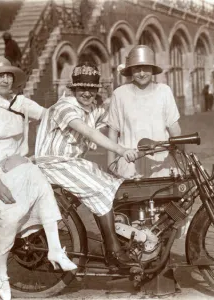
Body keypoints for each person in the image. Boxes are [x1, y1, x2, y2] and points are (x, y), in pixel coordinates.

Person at [34, 62, 139, 269]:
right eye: (82, 88)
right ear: (73, 89)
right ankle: (113, 251)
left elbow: (110, 104)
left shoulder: (89, 108)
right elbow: (91, 133)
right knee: (100, 189)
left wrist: (126, 80)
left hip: (71, 163)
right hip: (53, 163)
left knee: (113, 182)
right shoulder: (64, 108)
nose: (87, 94)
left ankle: (116, 239)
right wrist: (122, 151)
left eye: (91, 89)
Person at [0, 56, 77, 300]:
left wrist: (74, 109)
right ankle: (0, 268)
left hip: (20, 166)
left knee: (40, 181)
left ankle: (56, 250)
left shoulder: (19, 102)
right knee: (8, 218)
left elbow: (50, 116)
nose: (5, 79)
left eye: (8, 75)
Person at [107, 45, 182, 178]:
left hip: (161, 162)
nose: (142, 73)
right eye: (137, 69)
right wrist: (111, 165)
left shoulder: (164, 91)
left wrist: (180, 160)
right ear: (130, 70)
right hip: (130, 163)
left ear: (152, 69)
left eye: (146, 68)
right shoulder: (119, 94)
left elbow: (174, 128)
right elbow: (113, 131)